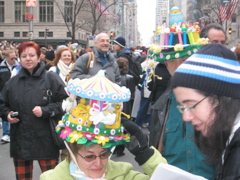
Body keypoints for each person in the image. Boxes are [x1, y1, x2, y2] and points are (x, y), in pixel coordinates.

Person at [40, 72, 167, 180]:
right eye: (89, 156)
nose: (99, 163)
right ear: (71, 153)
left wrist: (146, 155)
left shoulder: (124, 175)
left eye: (104, 154)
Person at [171, 43, 240, 179]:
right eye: (183, 108)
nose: (186, 117)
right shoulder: (230, 141)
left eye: (191, 105)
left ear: (220, 98)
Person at [1, 41, 68, 180]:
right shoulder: (12, 83)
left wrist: (46, 110)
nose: (28, 59)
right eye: (24, 56)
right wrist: (7, 115)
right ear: (19, 58)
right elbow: (2, 104)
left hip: (47, 140)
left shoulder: (51, 78)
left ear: (39, 57)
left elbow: (65, 103)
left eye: (32, 55)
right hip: (21, 141)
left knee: (52, 177)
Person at [149, 41, 216, 179]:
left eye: (184, 60)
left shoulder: (218, 100)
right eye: (172, 61)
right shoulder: (162, 106)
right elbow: (156, 153)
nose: (178, 66)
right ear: (166, 66)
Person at [0, 49, 19, 143]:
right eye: (12, 58)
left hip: (15, 92)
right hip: (3, 92)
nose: (14, 60)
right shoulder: (1, 67)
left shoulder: (19, 67)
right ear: (6, 58)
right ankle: (6, 134)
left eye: (15, 58)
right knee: (5, 111)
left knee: (14, 112)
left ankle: (14, 133)